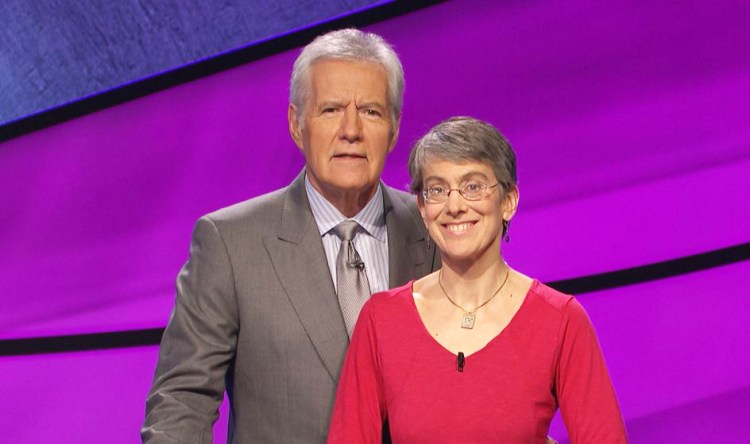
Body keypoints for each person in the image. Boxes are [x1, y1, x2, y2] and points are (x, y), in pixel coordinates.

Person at [142, 29, 439, 443]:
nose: (350, 130)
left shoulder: (434, 232)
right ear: (297, 124)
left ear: (393, 127)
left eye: (370, 111)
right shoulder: (229, 242)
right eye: (331, 109)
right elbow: (182, 402)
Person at [327, 117, 628, 443]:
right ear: (423, 208)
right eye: (437, 190)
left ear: (508, 202)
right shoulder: (382, 319)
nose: (455, 206)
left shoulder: (560, 320)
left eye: (473, 187)